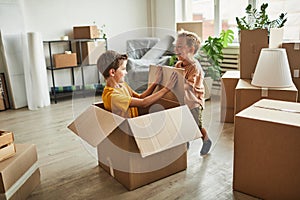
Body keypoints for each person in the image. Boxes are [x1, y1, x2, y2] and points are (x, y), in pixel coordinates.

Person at [97, 50, 178, 118]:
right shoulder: (112, 96)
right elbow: (143, 103)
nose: (126, 72)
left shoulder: (122, 85)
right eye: (123, 69)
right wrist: (166, 89)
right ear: (112, 72)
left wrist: (155, 83)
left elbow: (141, 97)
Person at [174, 30, 212, 156]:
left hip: (194, 102)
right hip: (183, 101)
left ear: (190, 49)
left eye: (180, 46)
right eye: (176, 46)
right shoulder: (179, 64)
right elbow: (174, 76)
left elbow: (189, 85)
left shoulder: (194, 67)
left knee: (197, 125)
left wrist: (174, 84)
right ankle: (186, 143)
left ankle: (206, 140)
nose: (176, 49)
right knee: (182, 122)